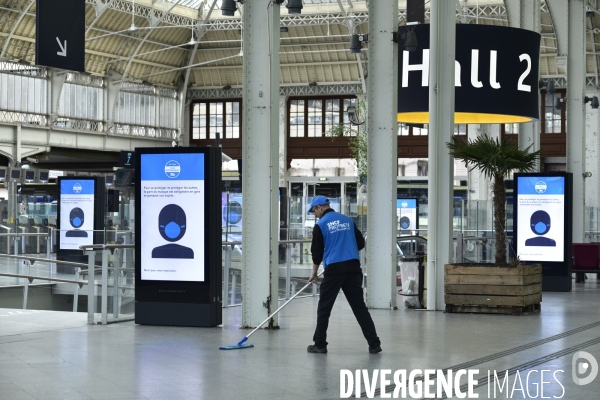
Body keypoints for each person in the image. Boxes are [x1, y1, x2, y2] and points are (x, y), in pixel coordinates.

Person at [306, 195, 381, 354]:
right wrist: (346, 247)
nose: (314, 214)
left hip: (334, 270)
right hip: (353, 268)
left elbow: (317, 253)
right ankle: (374, 344)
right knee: (359, 307)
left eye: (314, 210)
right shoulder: (347, 220)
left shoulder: (321, 225)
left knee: (324, 308)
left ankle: (320, 344)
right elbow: (360, 243)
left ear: (319, 207)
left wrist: (314, 273)